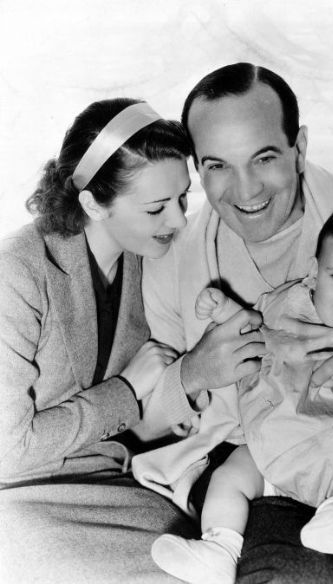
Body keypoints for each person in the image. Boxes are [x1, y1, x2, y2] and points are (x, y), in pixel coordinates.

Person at [133, 63, 333, 583]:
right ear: (197, 168)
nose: (245, 190)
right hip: (257, 457)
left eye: (264, 158)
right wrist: (192, 374)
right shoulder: (172, 258)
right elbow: (142, 423)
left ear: (299, 149)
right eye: (217, 165)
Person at [150, 204, 333, 583]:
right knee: (230, 477)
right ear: (314, 272)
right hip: (271, 448)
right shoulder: (287, 305)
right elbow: (253, 330)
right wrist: (224, 311)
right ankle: (219, 549)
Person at [0, 97, 204, 583]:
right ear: (92, 203)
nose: (178, 220)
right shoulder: (16, 273)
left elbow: (150, 418)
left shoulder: (150, 257)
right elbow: (6, 450)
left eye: (182, 198)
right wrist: (127, 391)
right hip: (15, 498)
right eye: (156, 208)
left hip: (115, 485)